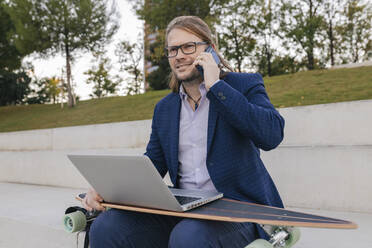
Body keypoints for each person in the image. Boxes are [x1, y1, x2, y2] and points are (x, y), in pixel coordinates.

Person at [83, 15, 285, 248]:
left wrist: (216, 86)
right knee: (107, 227)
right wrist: (110, 189)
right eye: (172, 50)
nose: (179, 55)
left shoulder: (243, 85)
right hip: (182, 208)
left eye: (188, 46)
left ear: (210, 48)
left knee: (188, 237)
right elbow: (154, 163)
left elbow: (272, 135)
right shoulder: (165, 109)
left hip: (238, 209)